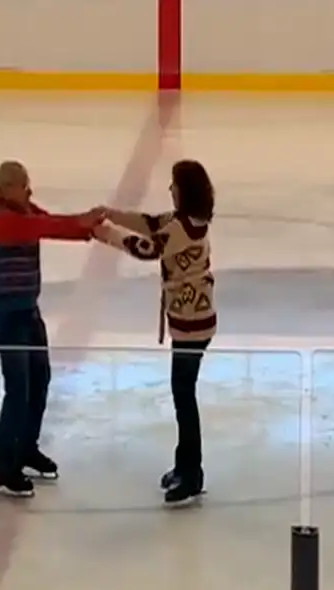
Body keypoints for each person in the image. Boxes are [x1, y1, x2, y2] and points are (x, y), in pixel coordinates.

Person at [92, 159, 216, 506]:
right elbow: (150, 224)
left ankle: (191, 473)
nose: (170, 189)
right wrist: (113, 215)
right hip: (193, 320)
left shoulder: (180, 229)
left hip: (192, 325)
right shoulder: (187, 221)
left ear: (185, 190)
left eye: (174, 184)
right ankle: (186, 465)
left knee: (184, 397)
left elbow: (148, 248)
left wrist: (106, 234)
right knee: (183, 394)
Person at [0, 161, 105, 497]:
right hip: (8, 318)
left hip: (29, 313)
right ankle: (4, 465)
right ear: (5, 189)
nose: (29, 190)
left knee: (39, 381)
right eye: (23, 185)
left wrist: (88, 229)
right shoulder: (1, 220)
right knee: (18, 389)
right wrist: (83, 223)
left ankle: (25, 447)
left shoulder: (24, 211)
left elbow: (49, 221)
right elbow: (43, 227)